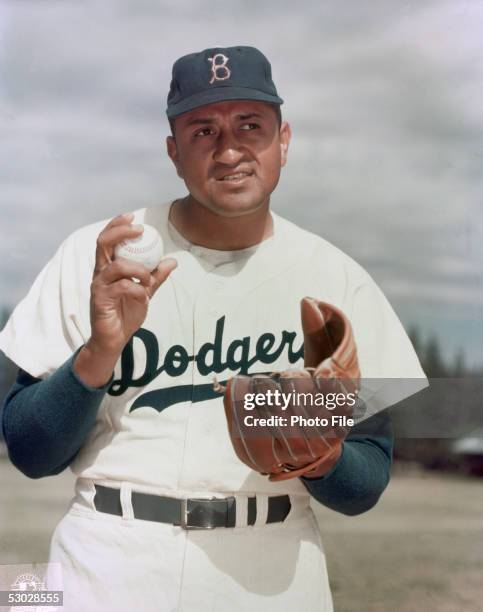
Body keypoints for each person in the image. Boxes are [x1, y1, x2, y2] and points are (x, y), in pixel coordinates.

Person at [0, 46, 427, 611]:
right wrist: (99, 351)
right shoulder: (97, 254)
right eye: (203, 130)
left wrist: (319, 457)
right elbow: (29, 453)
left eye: (250, 125)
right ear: (174, 152)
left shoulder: (338, 280)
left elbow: (366, 483)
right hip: (106, 556)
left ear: (284, 141)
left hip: (271, 569)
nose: (230, 150)